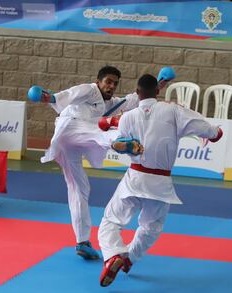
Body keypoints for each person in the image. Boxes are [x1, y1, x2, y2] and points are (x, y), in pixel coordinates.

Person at [31, 66, 172, 261]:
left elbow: (132, 100)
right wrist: (50, 98)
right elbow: (72, 93)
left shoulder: (110, 103)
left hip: (73, 144)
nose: (111, 86)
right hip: (71, 127)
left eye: (115, 83)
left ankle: (82, 241)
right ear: (99, 82)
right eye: (108, 81)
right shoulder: (89, 90)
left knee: (79, 188)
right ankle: (120, 143)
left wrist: (160, 83)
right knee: (102, 132)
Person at [98, 74, 223, 287]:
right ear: (158, 91)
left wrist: (111, 122)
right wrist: (214, 132)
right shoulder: (173, 110)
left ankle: (113, 255)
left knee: (110, 221)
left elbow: (114, 137)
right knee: (151, 227)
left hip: (135, 178)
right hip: (161, 183)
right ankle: (129, 259)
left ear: (137, 94)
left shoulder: (128, 116)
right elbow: (210, 131)